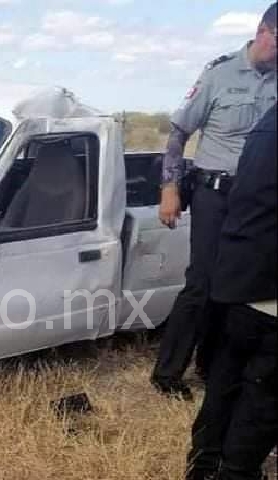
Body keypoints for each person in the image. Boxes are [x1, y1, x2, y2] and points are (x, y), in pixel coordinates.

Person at [151, 2, 277, 399]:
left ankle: (212, 366)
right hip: (212, 194)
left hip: (256, 202)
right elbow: (178, 133)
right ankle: (168, 374)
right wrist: (169, 188)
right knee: (202, 283)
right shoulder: (219, 75)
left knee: (239, 287)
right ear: (264, 31)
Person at [186, 102, 276, 480]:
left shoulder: (268, 119)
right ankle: (235, 472)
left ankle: (203, 466)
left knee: (227, 376)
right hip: (270, 284)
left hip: (239, 274)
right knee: (265, 394)